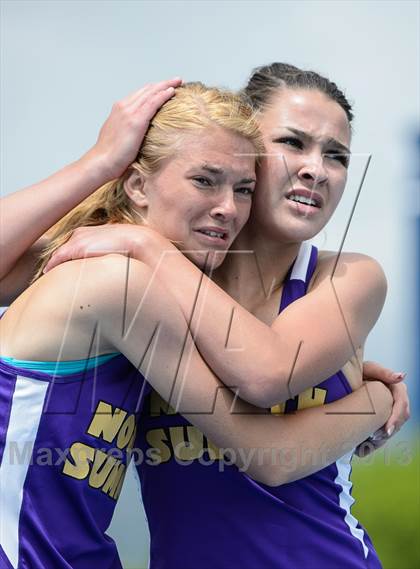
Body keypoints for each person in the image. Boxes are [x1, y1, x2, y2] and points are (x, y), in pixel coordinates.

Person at [0, 72, 408, 569]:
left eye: (336, 156)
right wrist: (100, 163)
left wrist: (148, 246)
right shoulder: (143, 278)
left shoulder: (347, 275)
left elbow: (269, 373)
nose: (315, 169)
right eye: (292, 143)